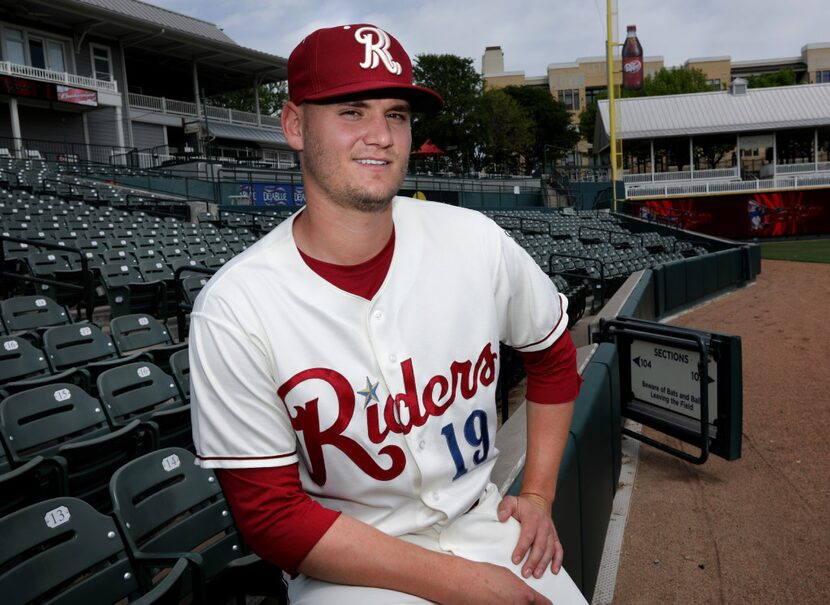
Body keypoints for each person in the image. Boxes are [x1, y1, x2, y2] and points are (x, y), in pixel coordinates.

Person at [190, 23, 588, 605]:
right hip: (345, 564)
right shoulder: (234, 307)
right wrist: (464, 584)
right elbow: (273, 517)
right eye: (352, 111)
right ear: (295, 125)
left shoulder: (474, 240)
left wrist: (537, 497)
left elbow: (553, 356)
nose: (381, 135)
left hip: (482, 520)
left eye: (396, 114)